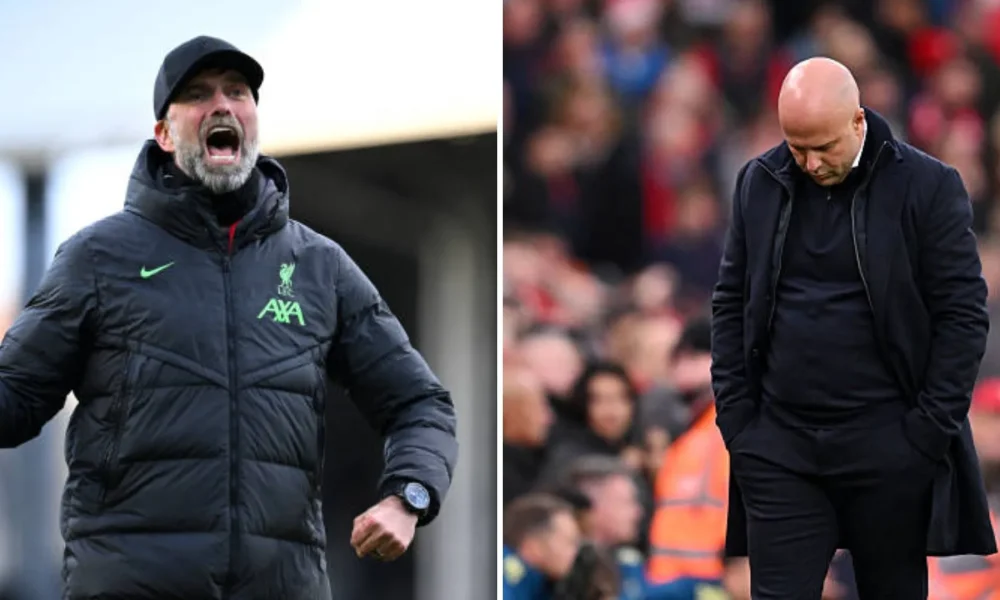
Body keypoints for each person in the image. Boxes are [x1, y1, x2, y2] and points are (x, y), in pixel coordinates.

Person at [0, 36, 458, 599]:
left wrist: (409, 495)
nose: (222, 104)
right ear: (164, 134)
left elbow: (419, 403)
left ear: (254, 119)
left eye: (237, 92)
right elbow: (13, 398)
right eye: (197, 94)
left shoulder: (319, 266)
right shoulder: (98, 258)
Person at [711, 56, 995, 599]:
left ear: (858, 121)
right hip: (780, 447)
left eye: (824, 147)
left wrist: (924, 434)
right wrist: (739, 423)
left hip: (889, 446)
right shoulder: (759, 181)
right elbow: (730, 302)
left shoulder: (928, 186)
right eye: (797, 148)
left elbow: (962, 314)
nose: (811, 163)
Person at [503, 493, 584, 600]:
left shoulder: (537, 585)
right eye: (569, 542)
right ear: (534, 546)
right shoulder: (500, 581)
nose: (575, 552)